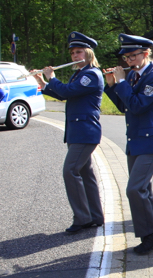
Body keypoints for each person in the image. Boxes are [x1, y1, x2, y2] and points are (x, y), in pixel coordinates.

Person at [103, 34, 153, 254]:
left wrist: (121, 82)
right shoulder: (133, 76)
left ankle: (149, 235)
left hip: (152, 140)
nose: (128, 61)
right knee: (143, 190)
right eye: (126, 57)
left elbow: (138, 105)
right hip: (136, 140)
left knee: (135, 189)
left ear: (146, 54)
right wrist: (113, 85)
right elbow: (124, 107)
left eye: (133, 56)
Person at [36, 32, 105, 233]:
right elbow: (64, 93)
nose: (75, 56)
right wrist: (43, 82)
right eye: (73, 52)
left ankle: (82, 218)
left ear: (89, 53)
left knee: (70, 171)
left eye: (79, 52)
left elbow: (67, 91)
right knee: (85, 173)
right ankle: (94, 216)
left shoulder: (91, 74)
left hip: (85, 131)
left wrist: (52, 77)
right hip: (78, 131)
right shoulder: (80, 73)